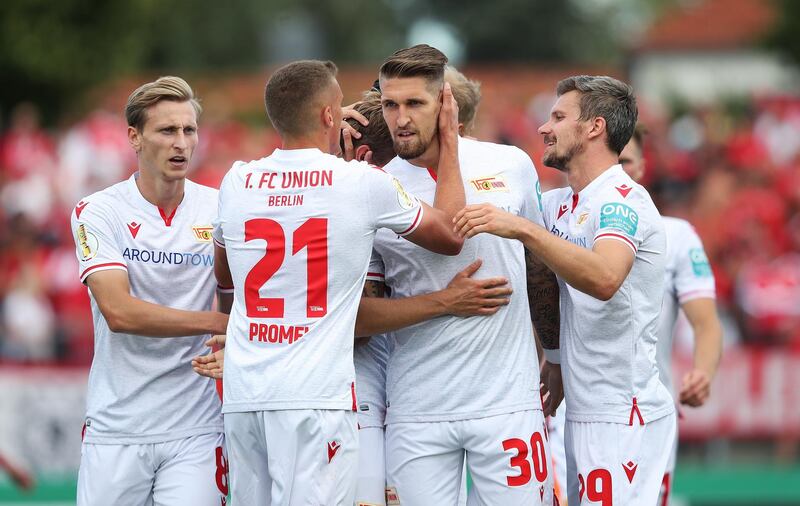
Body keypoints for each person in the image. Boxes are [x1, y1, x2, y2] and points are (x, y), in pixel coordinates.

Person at [211, 59, 466, 505]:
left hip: (245, 394)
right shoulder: (359, 182)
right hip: (316, 397)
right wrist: (450, 143)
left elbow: (225, 273)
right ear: (330, 115)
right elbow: (449, 235)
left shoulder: (237, 180)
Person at [454, 75, 675, 505]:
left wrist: (522, 229)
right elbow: (543, 284)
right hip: (582, 407)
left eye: (558, 116)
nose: (543, 127)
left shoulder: (622, 200)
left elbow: (605, 278)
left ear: (594, 127)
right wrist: (554, 358)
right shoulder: (558, 204)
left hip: (623, 414)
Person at [365, 44, 559, 506]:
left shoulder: (509, 164)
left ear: (445, 103)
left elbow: (538, 267)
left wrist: (554, 351)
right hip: (416, 408)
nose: (401, 118)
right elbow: (361, 312)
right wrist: (444, 302)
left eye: (415, 103)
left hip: (507, 402)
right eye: (391, 105)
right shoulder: (374, 185)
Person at [341, 89, 511, 506]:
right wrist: (444, 301)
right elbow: (357, 327)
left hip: (391, 388)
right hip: (357, 391)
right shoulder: (353, 197)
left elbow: (451, 238)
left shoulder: (377, 193)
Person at [70, 76, 230, 506]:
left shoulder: (221, 206)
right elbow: (119, 313)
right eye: (167, 131)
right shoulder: (98, 210)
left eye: (189, 130)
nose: (181, 143)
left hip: (196, 427)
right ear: (134, 138)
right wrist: (219, 323)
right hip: (116, 427)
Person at [619, 126, 722, 505]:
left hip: (648, 412)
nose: (618, 170)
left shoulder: (676, 236)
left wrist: (704, 372)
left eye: (626, 161)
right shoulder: (559, 224)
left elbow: (706, 323)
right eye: (610, 161)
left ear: (642, 167)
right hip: (568, 411)